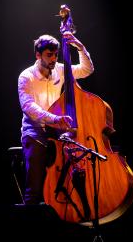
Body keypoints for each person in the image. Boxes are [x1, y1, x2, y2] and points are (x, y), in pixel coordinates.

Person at [18, 32, 94, 205]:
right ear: (38, 55)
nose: (53, 59)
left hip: (55, 131)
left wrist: (80, 47)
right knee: (34, 188)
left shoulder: (60, 69)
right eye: (49, 55)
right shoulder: (26, 76)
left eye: (55, 55)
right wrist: (53, 118)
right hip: (35, 133)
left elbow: (87, 69)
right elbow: (28, 106)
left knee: (62, 181)